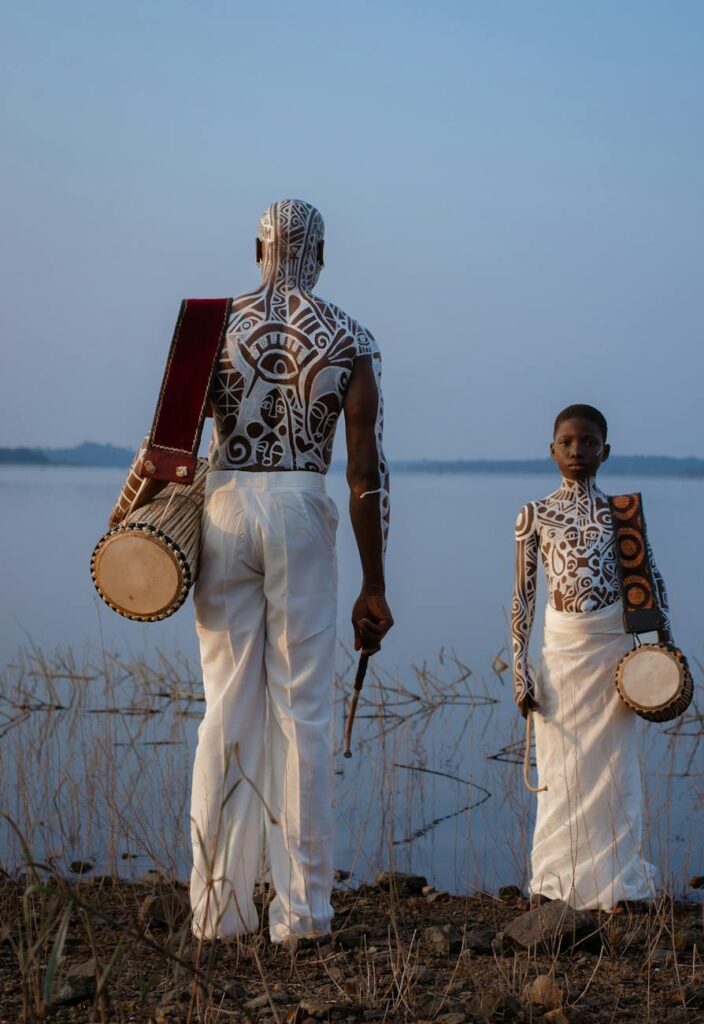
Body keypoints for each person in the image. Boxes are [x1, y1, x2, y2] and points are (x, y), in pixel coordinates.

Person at [190, 199, 392, 944]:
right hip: (302, 505)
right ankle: (303, 915)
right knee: (301, 712)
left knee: (225, 710)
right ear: (322, 255)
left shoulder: (210, 325)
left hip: (223, 506)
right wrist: (373, 583)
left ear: (257, 248)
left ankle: (217, 911)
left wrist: (131, 531)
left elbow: (169, 445)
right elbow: (365, 472)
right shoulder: (348, 334)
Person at [511, 404, 671, 911]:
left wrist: (665, 651)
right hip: (561, 650)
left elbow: (651, 582)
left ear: (606, 450)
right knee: (559, 764)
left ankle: (619, 884)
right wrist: (520, 667)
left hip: (613, 649)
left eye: (588, 443)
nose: (577, 451)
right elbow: (522, 597)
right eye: (567, 442)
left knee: (615, 768)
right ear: (552, 450)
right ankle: (552, 883)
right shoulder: (535, 513)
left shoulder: (621, 512)